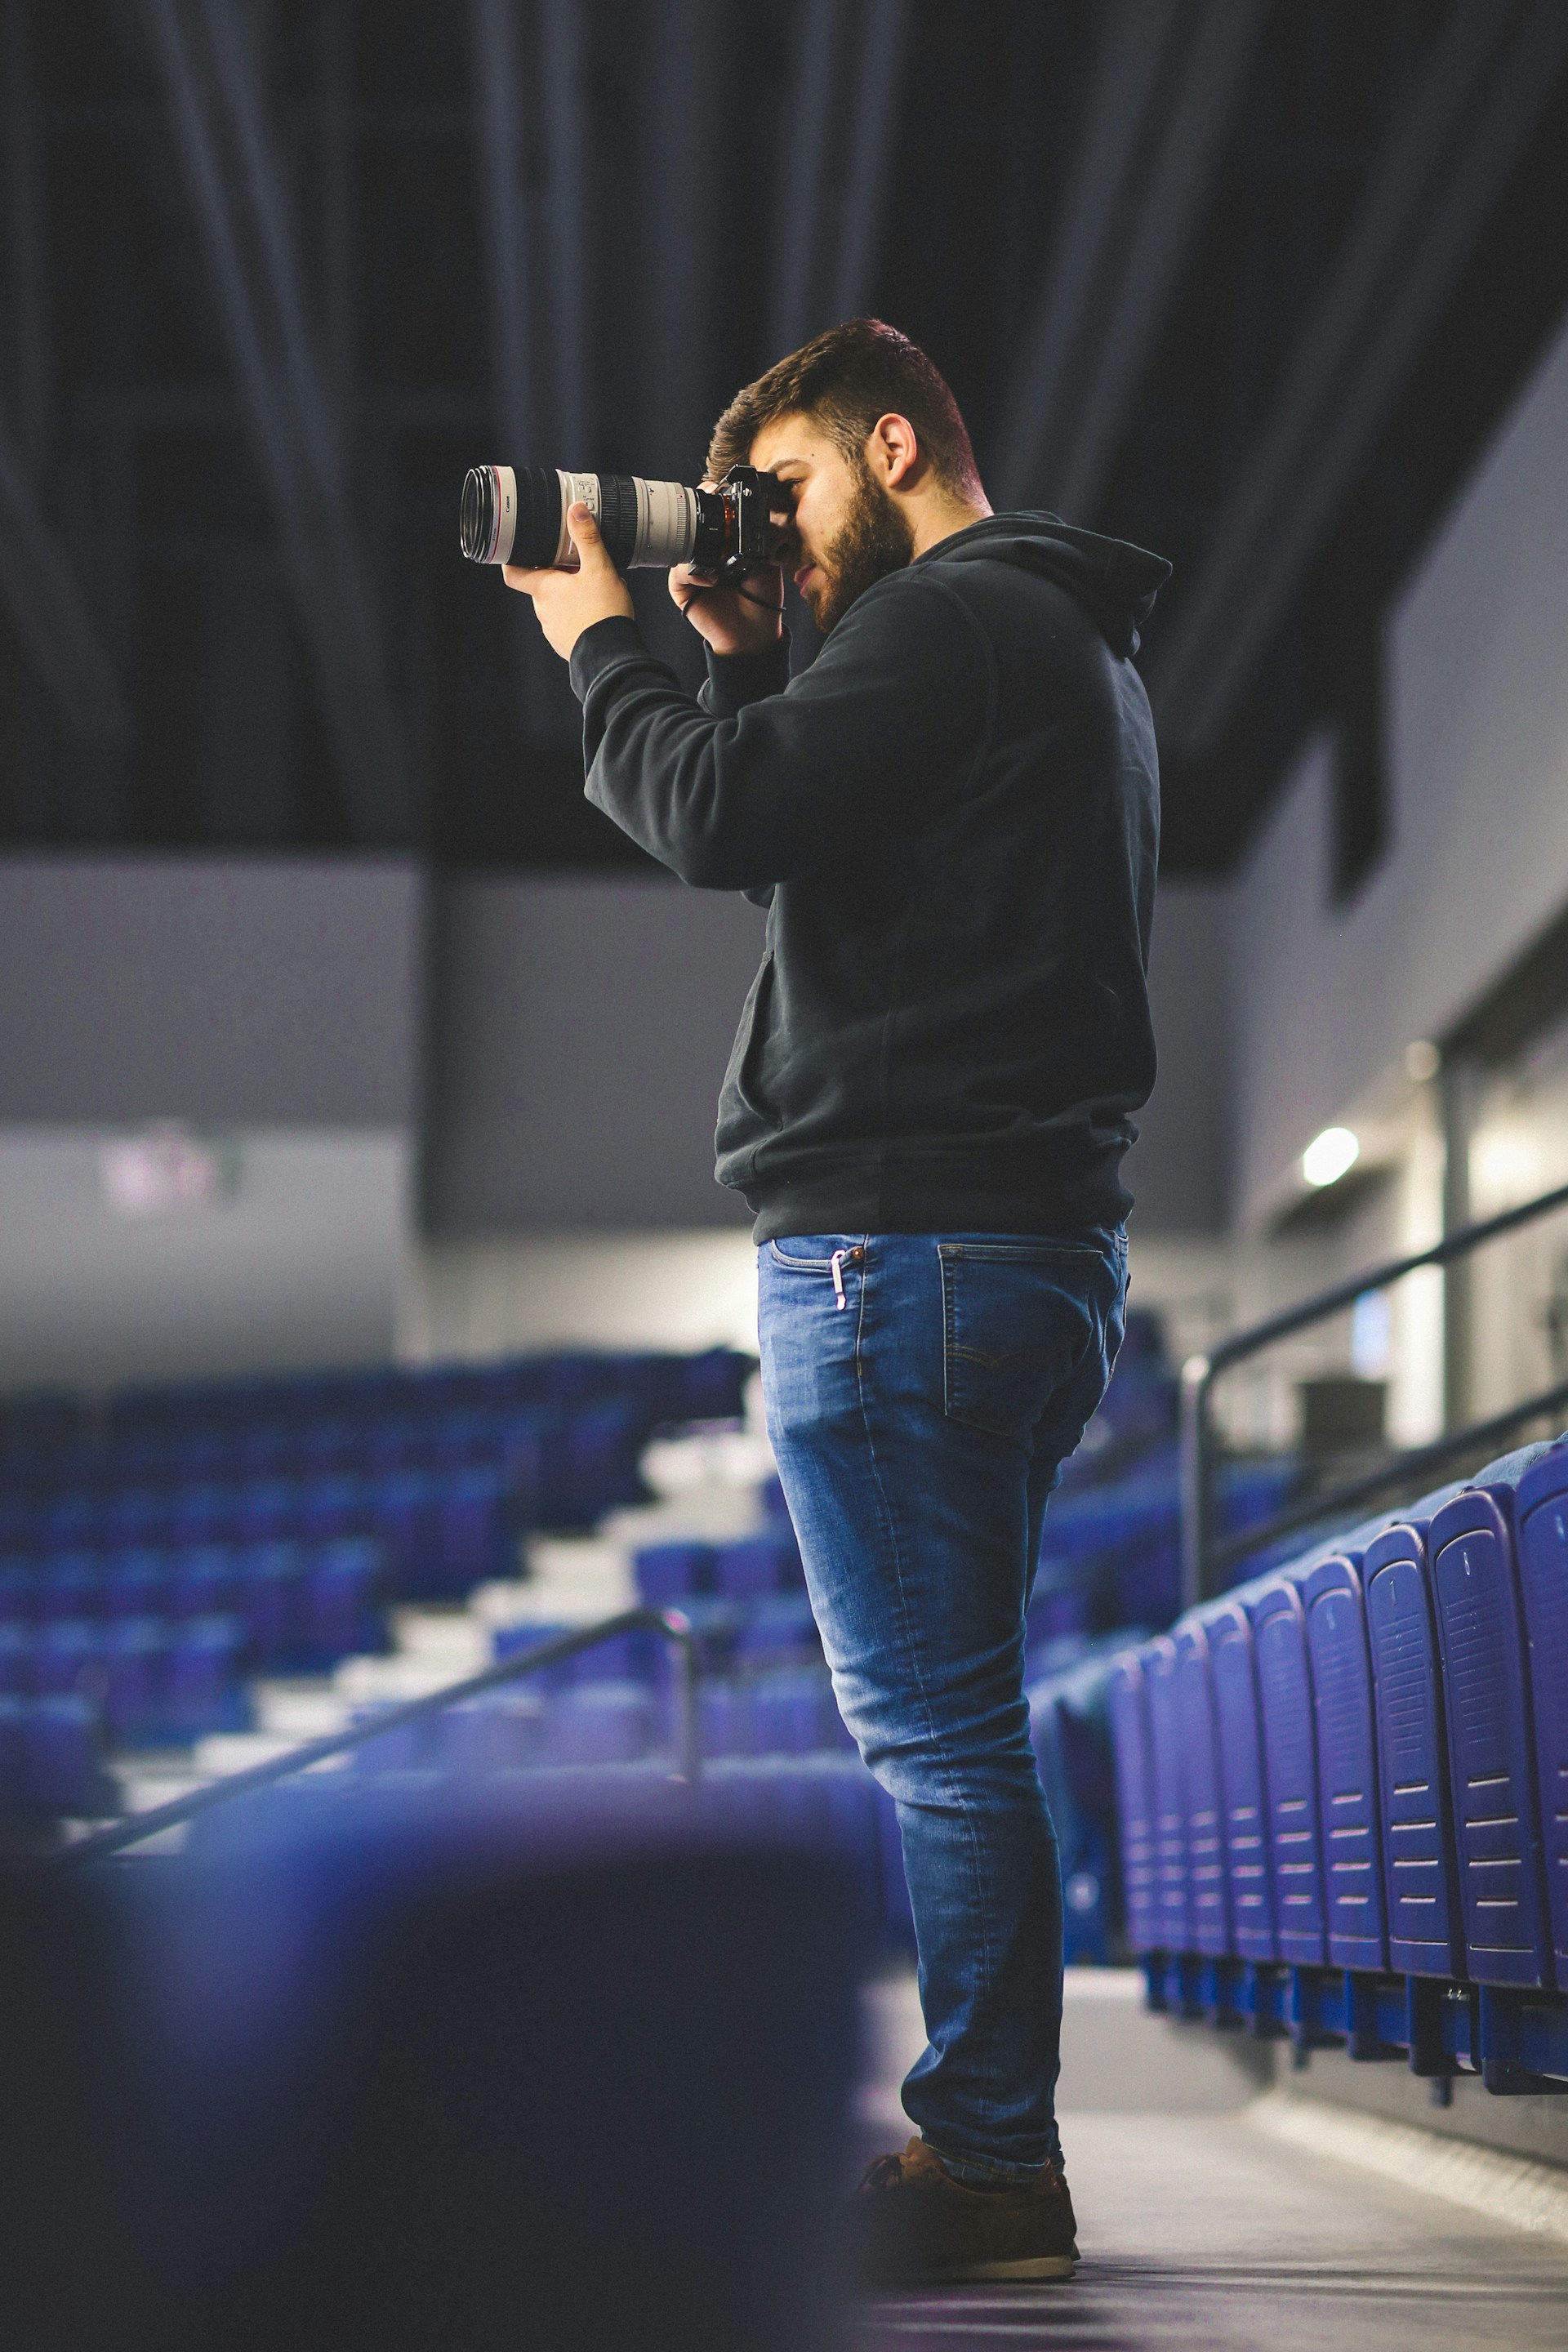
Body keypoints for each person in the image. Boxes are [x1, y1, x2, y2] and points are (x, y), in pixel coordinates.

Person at [503, 318, 1168, 2287]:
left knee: (941, 1739)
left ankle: (990, 2164)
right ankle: (987, 2143)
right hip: (1019, 1254)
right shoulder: (1055, 643)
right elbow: (825, 814)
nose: (769, 531)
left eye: (786, 490)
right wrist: (740, 655)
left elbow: (713, 820)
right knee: (961, 1727)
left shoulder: (958, 619)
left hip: (907, 1250)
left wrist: (592, 637)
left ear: (896, 444)